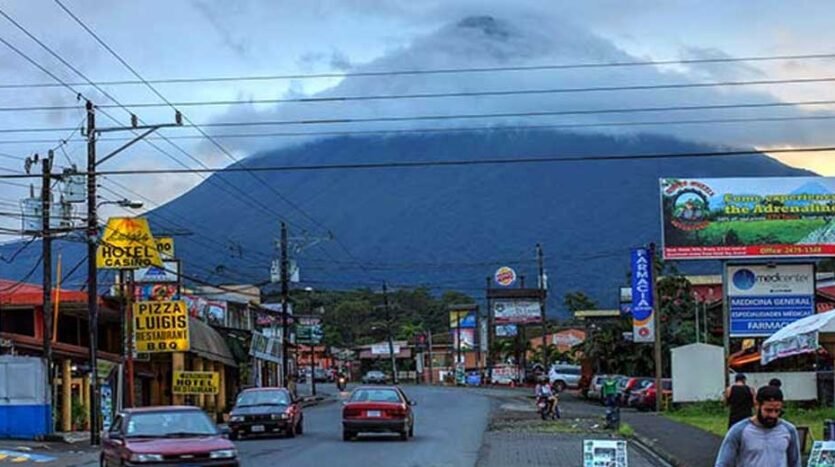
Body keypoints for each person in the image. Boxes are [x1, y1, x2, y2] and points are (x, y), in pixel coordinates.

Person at [715, 385, 801, 467]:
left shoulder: (789, 430)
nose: (773, 415)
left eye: (777, 411)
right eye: (768, 410)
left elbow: (795, 463)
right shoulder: (739, 431)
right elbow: (723, 463)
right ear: (757, 405)